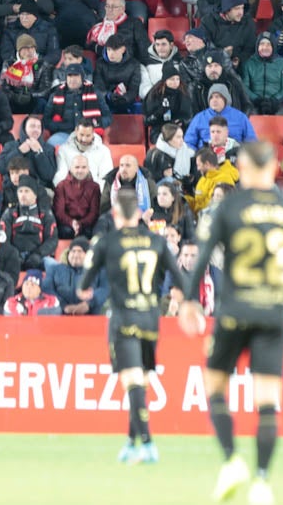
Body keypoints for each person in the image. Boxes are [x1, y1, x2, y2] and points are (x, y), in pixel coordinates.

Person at [180, 140, 283, 505]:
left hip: (235, 310)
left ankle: (231, 461)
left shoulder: (230, 207)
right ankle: (262, 482)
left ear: (242, 166)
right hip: (272, 312)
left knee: (214, 385)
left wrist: (190, 301)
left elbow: (203, 255)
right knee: (268, 401)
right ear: (274, 166)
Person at [78, 189, 181, 464]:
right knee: (141, 384)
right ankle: (130, 442)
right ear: (139, 212)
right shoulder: (157, 241)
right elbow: (179, 278)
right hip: (150, 318)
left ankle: (147, 443)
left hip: (124, 318)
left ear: (114, 213)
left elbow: (85, 284)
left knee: (132, 381)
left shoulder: (107, 242)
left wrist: (86, 290)